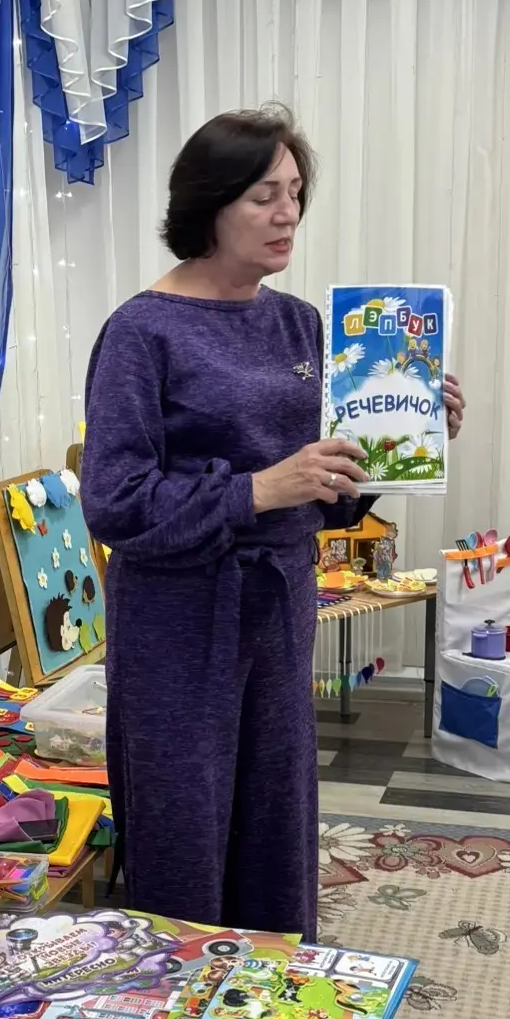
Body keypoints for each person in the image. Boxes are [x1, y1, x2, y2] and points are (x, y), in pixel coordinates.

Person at [81, 107, 464, 936]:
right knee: (184, 813)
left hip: (280, 599)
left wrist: (406, 439)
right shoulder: (142, 331)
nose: (287, 213)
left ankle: (272, 974)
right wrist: (255, 491)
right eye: (264, 195)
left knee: (275, 808)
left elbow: (329, 495)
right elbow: (115, 501)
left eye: (294, 193)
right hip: (179, 616)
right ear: (209, 205)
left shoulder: (301, 324)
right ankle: (179, 986)